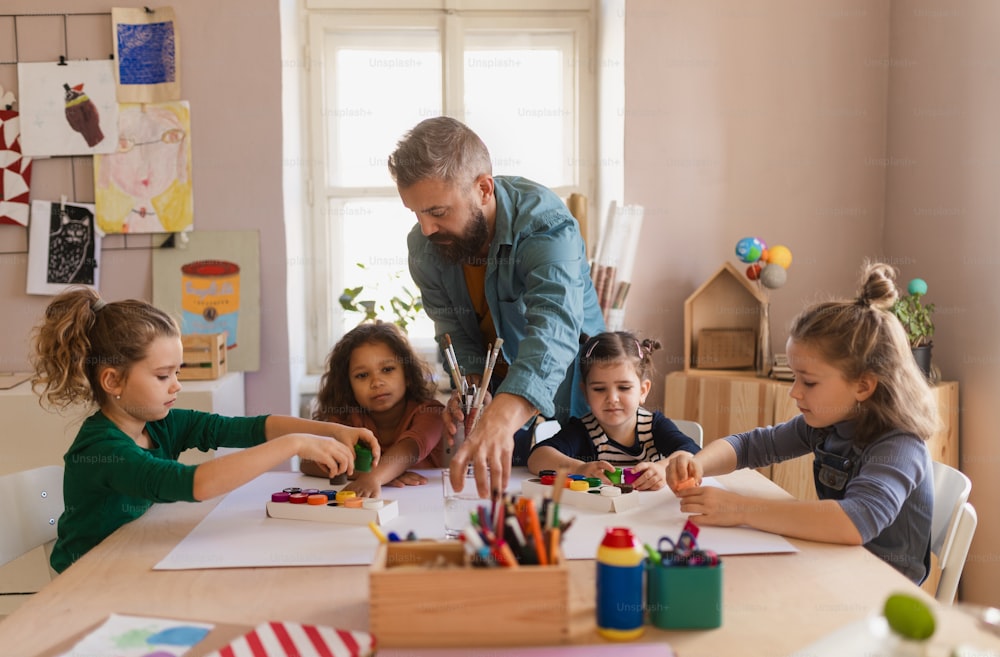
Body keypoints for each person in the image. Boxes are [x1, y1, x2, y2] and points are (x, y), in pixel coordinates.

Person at [30, 287, 380, 573]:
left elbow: (249, 429)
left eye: (177, 373)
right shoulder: (102, 450)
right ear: (112, 380)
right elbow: (194, 484)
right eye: (163, 375)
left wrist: (330, 431)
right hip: (88, 578)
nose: (176, 386)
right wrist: (294, 444)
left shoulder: (161, 424)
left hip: (132, 557)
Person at [665, 262, 939, 584]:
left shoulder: (899, 445)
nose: (795, 392)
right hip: (837, 564)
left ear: (864, 385)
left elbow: (856, 521)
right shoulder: (827, 423)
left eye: (808, 382)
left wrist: (740, 510)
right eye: (794, 377)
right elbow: (752, 445)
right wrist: (696, 464)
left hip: (883, 591)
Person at [389, 116, 605, 497]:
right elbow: (455, 335)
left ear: (484, 188)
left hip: (576, 399)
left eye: (437, 212)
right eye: (415, 213)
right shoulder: (425, 247)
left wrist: (503, 415)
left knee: (577, 514)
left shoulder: (546, 224)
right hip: (502, 411)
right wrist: (473, 390)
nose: (425, 229)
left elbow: (554, 327)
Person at [527, 331, 701, 491]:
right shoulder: (582, 430)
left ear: (642, 391)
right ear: (585, 393)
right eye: (599, 389)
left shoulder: (654, 426)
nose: (612, 398)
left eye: (624, 388)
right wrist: (579, 468)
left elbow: (693, 452)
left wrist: (663, 468)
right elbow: (537, 457)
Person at [300, 321, 445, 498]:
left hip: (425, 505)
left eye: (387, 369)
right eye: (362, 375)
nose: (376, 382)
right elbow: (308, 461)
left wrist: (375, 477)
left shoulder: (431, 413)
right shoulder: (348, 418)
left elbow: (410, 449)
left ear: (407, 374)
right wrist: (373, 475)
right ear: (348, 386)